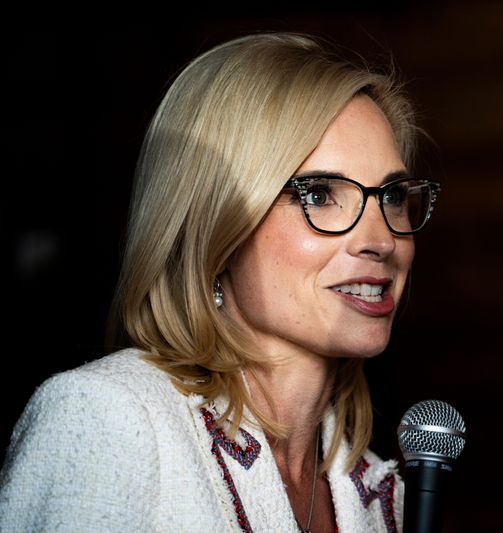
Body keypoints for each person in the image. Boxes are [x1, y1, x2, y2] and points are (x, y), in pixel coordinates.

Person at [0, 31, 441, 532]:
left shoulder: (383, 499)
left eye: (392, 196)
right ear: (216, 229)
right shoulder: (109, 419)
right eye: (319, 194)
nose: (381, 239)